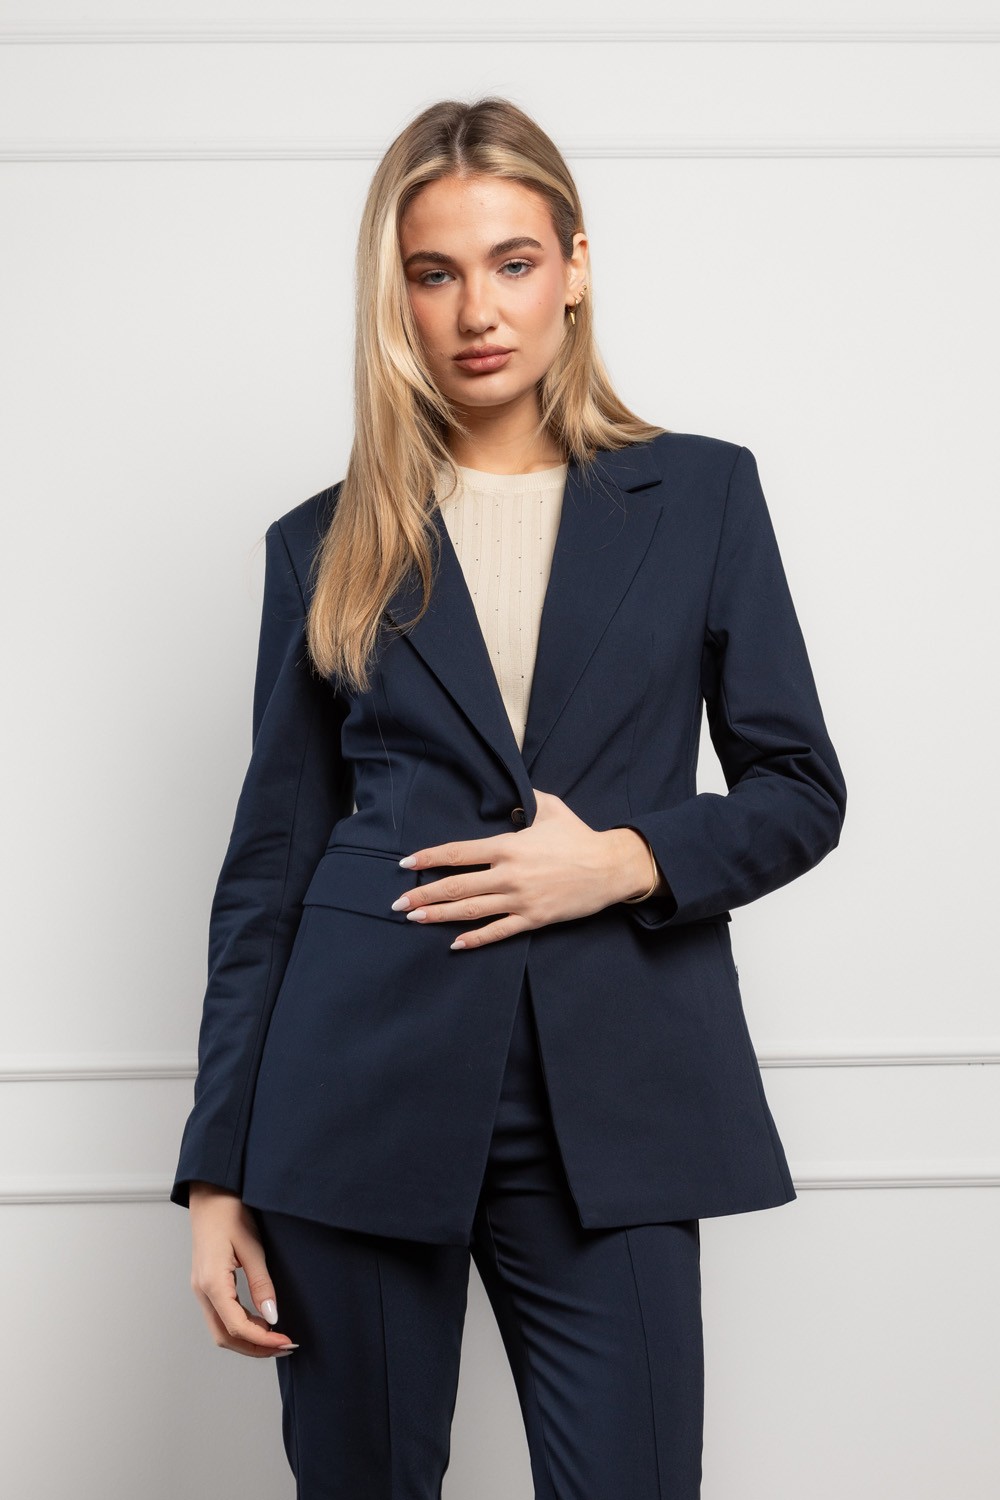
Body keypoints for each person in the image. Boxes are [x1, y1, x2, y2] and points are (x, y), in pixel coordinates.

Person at [171, 96, 847, 1499]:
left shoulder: (704, 497)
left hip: (616, 1098)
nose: (478, 310)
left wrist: (625, 860)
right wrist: (216, 1173)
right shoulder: (322, 544)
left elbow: (800, 789)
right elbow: (268, 875)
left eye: (514, 262)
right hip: (353, 1099)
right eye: (435, 273)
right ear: (397, 296)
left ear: (576, 267)